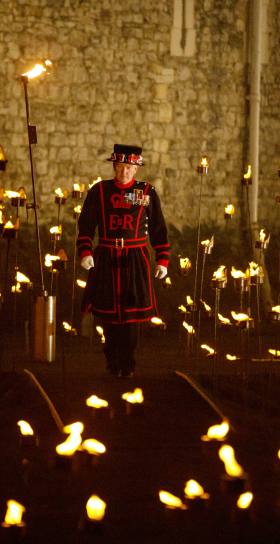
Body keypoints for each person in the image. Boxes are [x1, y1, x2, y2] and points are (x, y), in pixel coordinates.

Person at [76, 144, 170, 377]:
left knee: (131, 314)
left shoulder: (145, 193)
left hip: (135, 258)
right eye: (120, 167)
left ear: (136, 169)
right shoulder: (99, 191)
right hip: (106, 258)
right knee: (107, 314)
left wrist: (162, 259)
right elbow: (86, 226)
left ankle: (127, 363)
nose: (124, 172)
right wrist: (85, 252)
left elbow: (158, 227)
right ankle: (111, 360)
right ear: (115, 167)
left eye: (129, 167)